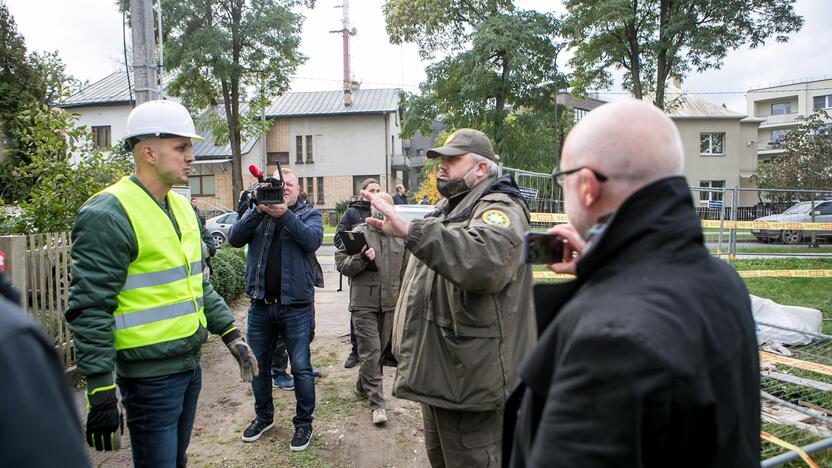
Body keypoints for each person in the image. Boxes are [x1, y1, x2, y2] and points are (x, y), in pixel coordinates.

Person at [501, 100, 760, 467]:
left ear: (587, 187)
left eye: (565, 179)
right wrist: (600, 269)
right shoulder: (722, 280)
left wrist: (606, 290)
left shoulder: (608, 341)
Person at [66, 100, 258, 468]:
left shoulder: (182, 208)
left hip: (188, 367)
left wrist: (230, 333)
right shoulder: (108, 213)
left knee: (178, 461)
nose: (191, 157)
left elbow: (196, 284)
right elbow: (90, 308)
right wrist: (101, 389)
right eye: (182, 147)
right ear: (149, 152)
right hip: (148, 380)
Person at [363, 128, 536, 467]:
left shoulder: (500, 208)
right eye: (440, 160)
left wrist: (411, 231)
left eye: (452, 160)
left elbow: (484, 262)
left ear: (481, 169)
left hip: (470, 381)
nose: (441, 167)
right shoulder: (451, 207)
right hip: (445, 375)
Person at [227, 167, 323, 451]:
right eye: (280, 185)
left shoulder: (309, 215)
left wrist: (285, 215)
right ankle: (263, 417)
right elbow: (234, 238)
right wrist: (257, 209)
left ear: (297, 188)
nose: (285, 189)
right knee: (258, 367)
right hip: (260, 305)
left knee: (302, 368)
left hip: (296, 307)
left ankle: (304, 424)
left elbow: (312, 240)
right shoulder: (258, 214)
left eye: (290, 185)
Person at [335, 192, 407, 426]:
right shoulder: (358, 234)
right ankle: (378, 404)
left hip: (390, 305)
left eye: (387, 206)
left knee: (376, 352)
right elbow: (341, 265)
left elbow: (406, 274)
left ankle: (361, 386)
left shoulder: (400, 238)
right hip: (363, 305)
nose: (382, 210)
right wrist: (362, 260)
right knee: (372, 352)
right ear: (371, 208)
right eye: (378, 206)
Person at [336, 178, 380, 369]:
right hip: (360, 270)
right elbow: (339, 238)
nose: (376, 193)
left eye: (378, 190)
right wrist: (355, 241)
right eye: (372, 190)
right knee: (358, 314)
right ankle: (355, 351)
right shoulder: (353, 211)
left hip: (381, 272)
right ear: (364, 192)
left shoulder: (384, 208)